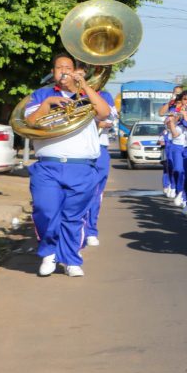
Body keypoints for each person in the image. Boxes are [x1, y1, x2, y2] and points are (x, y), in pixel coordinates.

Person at [25, 52, 111, 277]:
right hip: (48, 166)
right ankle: (49, 253)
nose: (63, 70)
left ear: (74, 71)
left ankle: (71, 259)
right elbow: (29, 123)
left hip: (81, 167)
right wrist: (47, 105)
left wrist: (85, 87)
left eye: (68, 67)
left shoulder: (87, 96)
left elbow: (104, 112)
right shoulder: (41, 94)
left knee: (73, 217)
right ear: (52, 73)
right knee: (45, 211)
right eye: (58, 67)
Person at [81, 65, 117, 248]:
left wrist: (94, 122)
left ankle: (91, 230)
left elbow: (109, 121)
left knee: (95, 193)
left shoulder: (105, 96)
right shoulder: (72, 95)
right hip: (77, 151)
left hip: (99, 148)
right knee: (78, 193)